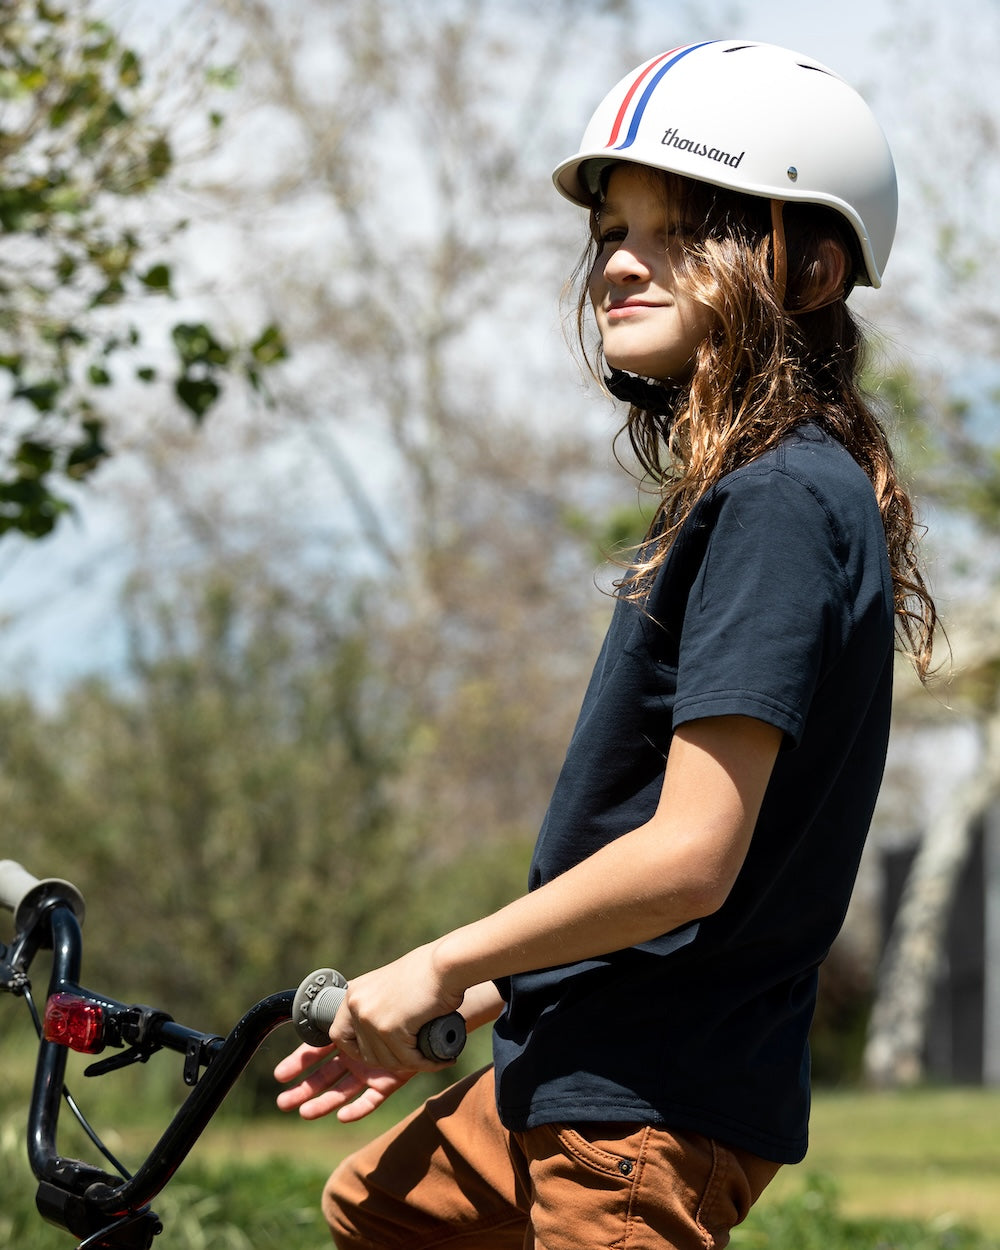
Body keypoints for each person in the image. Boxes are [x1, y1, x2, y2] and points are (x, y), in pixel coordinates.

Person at [274, 39, 937, 1250]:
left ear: (807, 266)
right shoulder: (751, 492)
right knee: (381, 1208)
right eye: (611, 230)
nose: (619, 261)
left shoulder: (781, 500)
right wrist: (471, 996)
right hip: (573, 1064)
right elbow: (644, 850)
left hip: (638, 1109)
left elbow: (689, 859)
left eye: (676, 229)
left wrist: (437, 960)